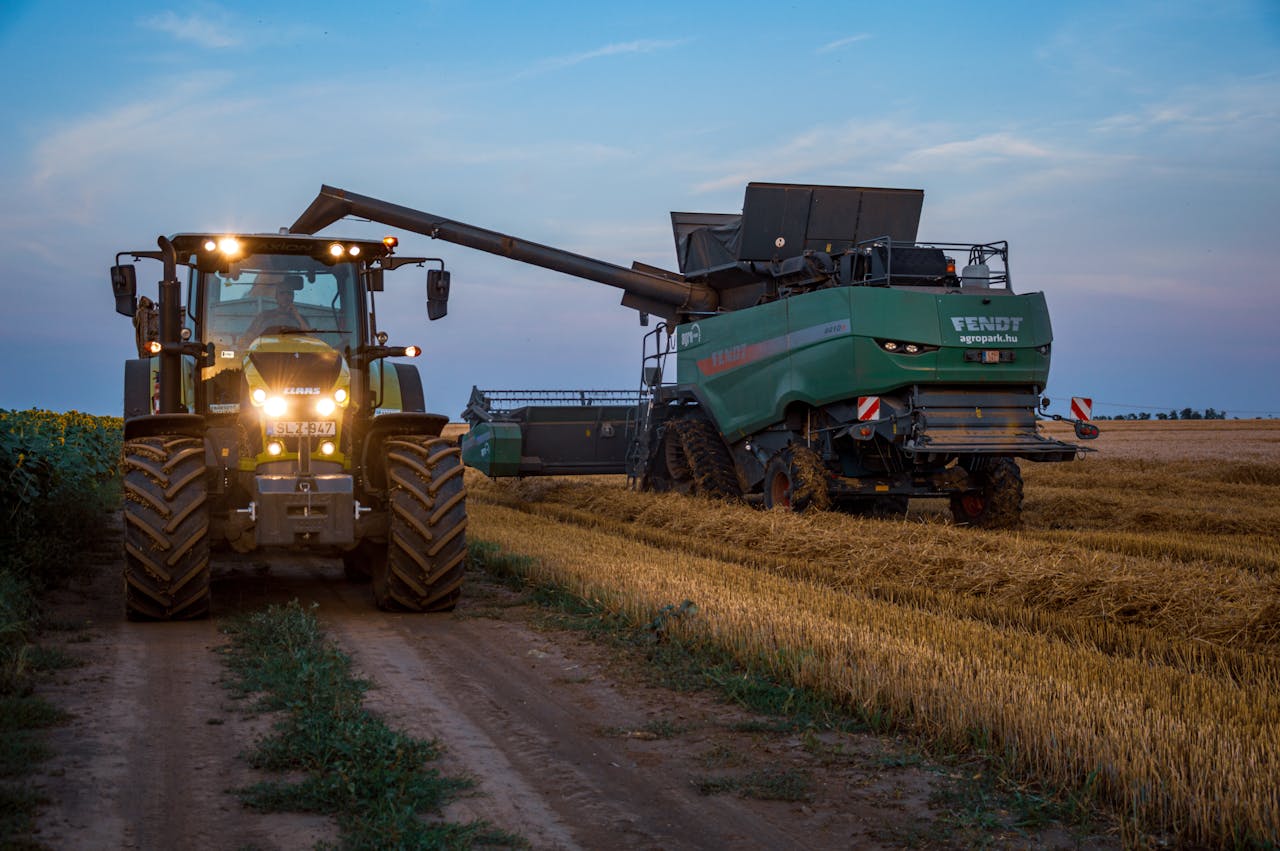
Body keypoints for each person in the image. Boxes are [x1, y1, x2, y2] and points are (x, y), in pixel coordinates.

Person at [240, 277, 308, 343]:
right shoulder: (264, 316)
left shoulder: (300, 319)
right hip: (265, 352)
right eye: (282, 293)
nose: (286, 297)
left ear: (293, 296)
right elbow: (248, 338)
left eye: (289, 293)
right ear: (276, 297)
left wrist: (297, 316)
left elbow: (311, 338)